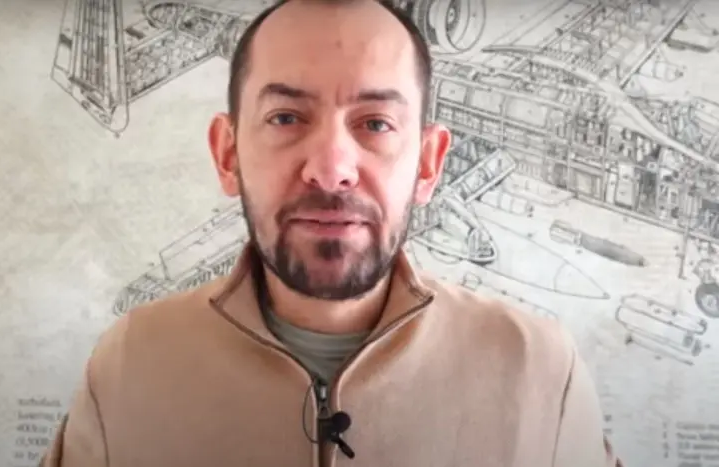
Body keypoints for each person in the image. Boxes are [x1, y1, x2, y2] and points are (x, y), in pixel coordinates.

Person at [42, 0, 622, 465]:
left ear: (427, 165)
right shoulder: (126, 367)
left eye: (376, 123)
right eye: (286, 118)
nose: (331, 169)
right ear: (227, 154)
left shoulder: (544, 373)